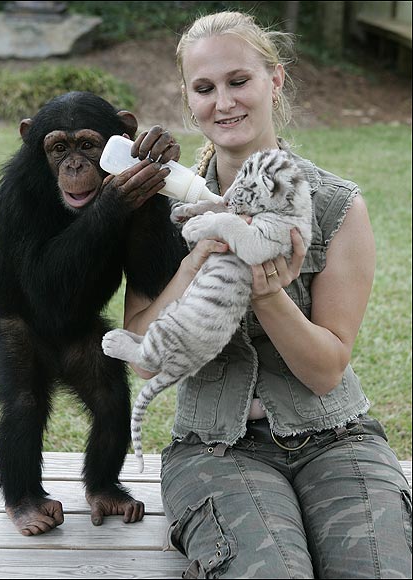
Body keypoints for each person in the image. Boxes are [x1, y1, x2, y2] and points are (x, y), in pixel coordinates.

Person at [120, 11, 412, 579]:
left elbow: (327, 370)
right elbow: (140, 348)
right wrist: (201, 259)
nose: (223, 102)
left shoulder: (334, 207)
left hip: (337, 440)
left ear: (274, 81)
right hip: (215, 449)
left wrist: (268, 292)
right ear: (188, 98)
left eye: (239, 81)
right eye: (204, 89)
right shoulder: (159, 214)